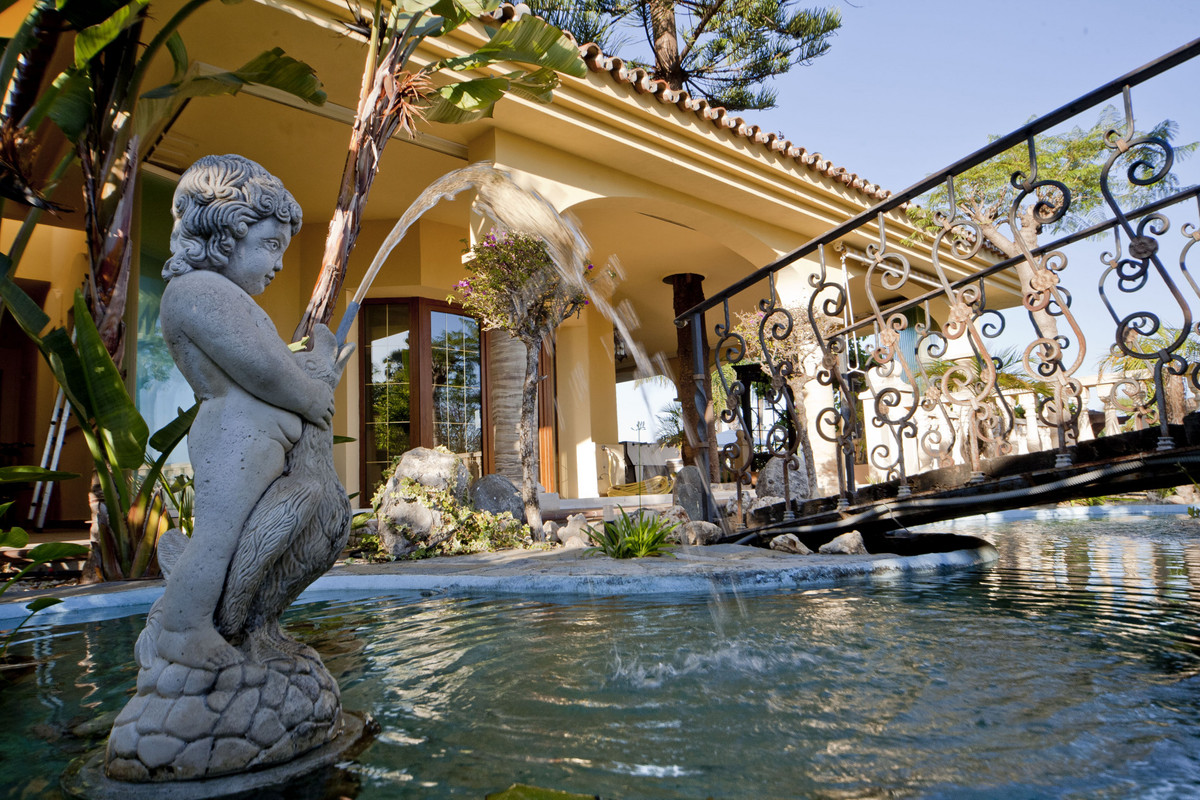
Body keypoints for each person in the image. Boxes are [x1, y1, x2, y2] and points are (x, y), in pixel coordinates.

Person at [154, 155, 336, 669]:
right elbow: (261, 368)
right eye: (270, 245)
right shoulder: (198, 292)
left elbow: (271, 359)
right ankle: (182, 629)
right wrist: (309, 396)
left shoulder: (221, 294)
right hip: (234, 440)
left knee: (240, 544)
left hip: (254, 443)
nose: (278, 263)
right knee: (218, 539)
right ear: (224, 234)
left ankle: (233, 626)